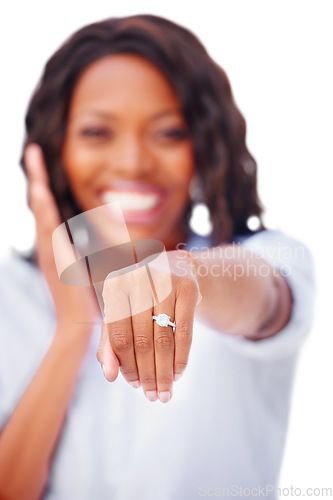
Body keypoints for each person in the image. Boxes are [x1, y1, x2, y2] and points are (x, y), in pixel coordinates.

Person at [0, 14, 314, 500]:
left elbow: (265, 300)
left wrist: (183, 271)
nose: (133, 163)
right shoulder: (11, 296)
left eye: (169, 133)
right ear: (49, 152)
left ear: (206, 146)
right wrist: (72, 329)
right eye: (97, 133)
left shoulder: (260, 258)